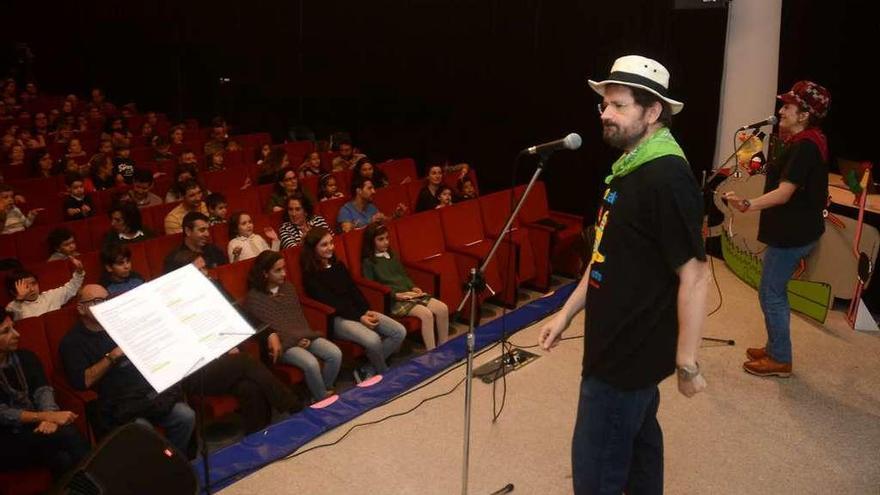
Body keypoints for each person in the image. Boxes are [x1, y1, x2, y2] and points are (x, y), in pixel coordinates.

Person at [537, 55, 709, 495]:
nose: (605, 115)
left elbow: (694, 274)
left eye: (618, 106)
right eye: (604, 105)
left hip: (625, 355)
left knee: (596, 473)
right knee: (638, 455)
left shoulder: (666, 176)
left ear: (653, 112)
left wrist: (687, 364)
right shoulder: (628, 168)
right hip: (616, 341)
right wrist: (567, 313)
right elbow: (603, 256)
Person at [722, 80, 831, 378]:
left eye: (788, 106)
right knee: (772, 290)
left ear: (804, 114)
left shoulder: (806, 146)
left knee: (771, 293)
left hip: (792, 235)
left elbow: (784, 193)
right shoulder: (803, 141)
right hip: (793, 230)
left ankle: (780, 358)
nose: (781, 111)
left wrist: (748, 204)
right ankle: (774, 348)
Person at [59, 285, 195, 454]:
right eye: (97, 301)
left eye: (107, 300)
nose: (105, 305)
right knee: (144, 431)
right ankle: (157, 470)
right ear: (81, 308)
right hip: (117, 403)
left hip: (147, 394)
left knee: (185, 416)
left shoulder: (122, 324)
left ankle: (175, 460)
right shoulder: (72, 342)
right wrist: (111, 357)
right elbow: (82, 381)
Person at [301, 227, 406, 382]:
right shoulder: (311, 276)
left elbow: (354, 291)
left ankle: (367, 369)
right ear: (313, 249)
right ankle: (385, 374)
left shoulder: (339, 265)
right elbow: (333, 303)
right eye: (324, 245)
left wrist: (366, 311)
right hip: (337, 318)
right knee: (373, 340)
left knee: (399, 331)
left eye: (331, 243)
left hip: (358, 312)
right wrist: (360, 317)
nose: (330, 247)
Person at [0, 312, 90, 479]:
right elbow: (4, 414)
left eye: (14, 328)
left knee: (63, 459)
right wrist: (47, 415)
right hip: (6, 437)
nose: (16, 334)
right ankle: (103, 478)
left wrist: (50, 417)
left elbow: (43, 390)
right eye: (6, 331)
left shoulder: (26, 356)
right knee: (67, 433)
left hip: (35, 425)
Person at [245, 251, 342, 402]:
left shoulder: (288, 288)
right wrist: (296, 340)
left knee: (335, 354)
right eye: (278, 270)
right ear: (264, 273)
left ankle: (320, 391)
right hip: (283, 346)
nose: (283, 273)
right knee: (311, 363)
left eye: (284, 268)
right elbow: (269, 329)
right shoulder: (254, 297)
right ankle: (322, 398)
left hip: (302, 335)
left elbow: (298, 319)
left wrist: (304, 337)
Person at [361, 222, 449, 350]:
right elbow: (372, 287)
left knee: (442, 308)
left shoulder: (392, 255)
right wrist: (395, 295)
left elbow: (403, 275)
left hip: (408, 293)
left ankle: (444, 346)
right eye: (381, 239)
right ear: (371, 242)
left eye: (387, 238)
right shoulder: (368, 262)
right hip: (394, 300)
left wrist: (413, 287)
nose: (386, 242)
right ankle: (432, 352)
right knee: (426, 314)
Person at [5, 259, 85, 320]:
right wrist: (19, 299)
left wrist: (79, 272)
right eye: (26, 287)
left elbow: (71, 288)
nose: (32, 289)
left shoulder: (50, 296)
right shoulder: (13, 306)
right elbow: (13, 318)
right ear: (14, 292)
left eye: (34, 283)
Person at [163, 212, 228, 272]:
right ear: (188, 231)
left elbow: (225, 274)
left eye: (207, 229)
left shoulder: (214, 250)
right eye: (202, 230)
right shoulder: (174, 260)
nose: (207, 234)